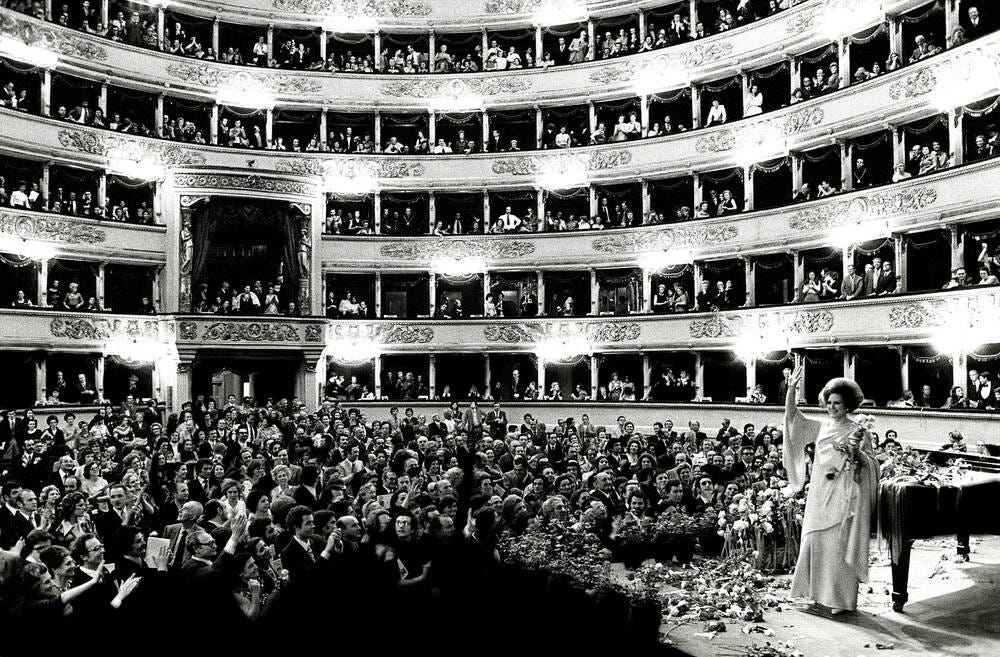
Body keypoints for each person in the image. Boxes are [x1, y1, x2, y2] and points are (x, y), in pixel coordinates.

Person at [783, 366, 878, 614]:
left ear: (848, 406)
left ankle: (840, 600)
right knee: (814, 540)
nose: (832, 407)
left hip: (845, 494)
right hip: (820, 492)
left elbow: (872, 463)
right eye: (829, 402)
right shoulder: (822, 426)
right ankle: (815, 594)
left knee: (838, 544)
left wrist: (855, 452)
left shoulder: (859, 431)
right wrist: (791, 389)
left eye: (837, 403)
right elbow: (793, 418)